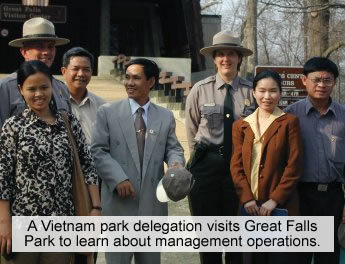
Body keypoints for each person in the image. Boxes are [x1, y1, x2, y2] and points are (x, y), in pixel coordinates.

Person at [0, 60, 101, 264]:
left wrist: (95, 209)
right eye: (32, 89)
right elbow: (4, 178)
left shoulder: (68, 123)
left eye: (44, 87)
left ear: (52, 87)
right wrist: (4, 221)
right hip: (23, 223)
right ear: (21, 90)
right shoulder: (14, 126)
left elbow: (87, 165)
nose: (39, 94)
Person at [91, 58, 185, 264]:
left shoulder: (165, 116)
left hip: (152, 207)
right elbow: (98, 151)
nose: (129, 83)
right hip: (119, 205)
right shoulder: (107, 112)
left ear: (150, 82)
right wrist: (118, 179)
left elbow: (173, 148)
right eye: (127, 77)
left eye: (136, 78)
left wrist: (176, 164)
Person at [185, 30, 255, 264]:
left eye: (231, 54)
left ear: (239, 58)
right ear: (214, 59)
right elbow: (192, 129)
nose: (226, 59)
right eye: (221, 54)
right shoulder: (199, 89)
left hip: (240, 168)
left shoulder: (251, 91)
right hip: (206, 166)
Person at [231, 70, 303, 263]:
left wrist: (275, 200)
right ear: (253, 92)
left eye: (273, 91)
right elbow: (236, 167)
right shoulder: (241, 126)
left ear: (280, 93)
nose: (267, 96)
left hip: (280, 207)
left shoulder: (289, 122)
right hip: (250, 207)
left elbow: (294, 166)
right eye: (262, 90)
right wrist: (246, 199)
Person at [285, 57, 345, 264]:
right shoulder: (289, 116)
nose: (321, 85)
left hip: (333, 197)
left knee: (328, 255)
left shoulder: (343, 116)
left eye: (327, 80)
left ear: (334, 82)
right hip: (299, 196)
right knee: (298, 256)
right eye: (316, 79)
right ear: (304, 80)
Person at [0, 17, 70, 130]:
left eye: (50, 46)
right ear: (24, 52)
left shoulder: (61, 88)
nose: (46, 52)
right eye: (39, 46)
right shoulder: (5, 87)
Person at [61, 47, 106, 145]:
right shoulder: (53, 102)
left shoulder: (102, 106)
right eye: (75, 69)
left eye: (86, 69)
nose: (81, 74)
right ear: (64, 71)